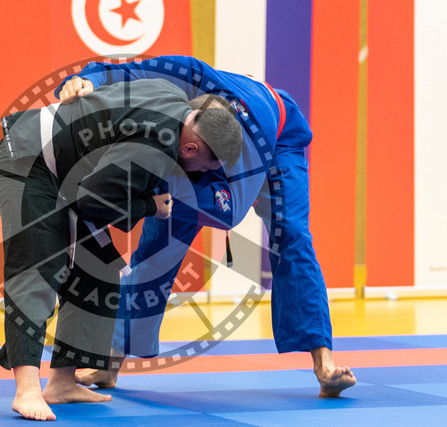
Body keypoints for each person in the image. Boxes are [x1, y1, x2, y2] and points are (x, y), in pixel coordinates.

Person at [56, 55, 357, 398]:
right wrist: (88, 80)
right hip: (213, 141)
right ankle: (110, 364)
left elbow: (228, 213)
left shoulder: (248, 151)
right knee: (158, 243)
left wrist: (163, 188)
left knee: (290, 234)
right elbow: (130, 71)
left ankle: (324, 364)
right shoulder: (191, 75)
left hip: (278, 138)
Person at [0, 77, 242, 421]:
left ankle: (62, 382)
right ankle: (27, 390)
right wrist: (151, 207)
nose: (198, 175)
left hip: (68, 173)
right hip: (25, 157)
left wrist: (85, 81)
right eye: (203, 168)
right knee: (38, 268)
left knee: (100, 268)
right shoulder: (154, 149)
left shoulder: (173, 95)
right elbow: (92, 201)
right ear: (191, 149)